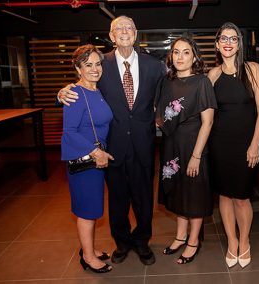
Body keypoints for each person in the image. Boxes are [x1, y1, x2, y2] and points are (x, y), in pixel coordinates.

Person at [58, 15, 165, 266]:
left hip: (143, 143)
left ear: (136, 33)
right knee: (117, 199)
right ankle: (123, 242)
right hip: (112, 146)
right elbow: (82, 87)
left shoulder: (153, 65)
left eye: (129, 27)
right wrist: (61, 93)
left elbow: (165, 95)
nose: (125, 31)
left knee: (143, 198)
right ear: (112, 36)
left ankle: (142, 242)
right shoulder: (100, 63)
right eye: (119, 29)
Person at [207, 22, 259, 269]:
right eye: (224, 38)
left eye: (233, 38)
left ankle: (244, 241)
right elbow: (204, 112)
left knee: (242, 197)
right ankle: (231, 241)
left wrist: (255, 145)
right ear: (217, 43)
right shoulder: (212, 75)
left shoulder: (252, 69)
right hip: (219, 144)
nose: (228, 42)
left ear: (239, 43)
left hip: (246, 144)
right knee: (224, 195)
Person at [155, 37, 217, 264]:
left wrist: (196, 156)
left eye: (186, 52)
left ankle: (193, 240)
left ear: (195, 57)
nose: (180, 57)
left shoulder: (202, 82)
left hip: (194, 144)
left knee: (194, 193)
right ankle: (180, 236)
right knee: (178, 190)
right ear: (171, 56)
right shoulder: (166, 81)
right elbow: (159, 111)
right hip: (171, 144)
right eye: (176, 52)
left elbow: (208, 122)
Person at [61, 44, 114, 273]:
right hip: (85, 161)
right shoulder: (75, 93)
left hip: (96, 159)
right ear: (78, 68)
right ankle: (88, 257)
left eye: (97, 63)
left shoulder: (96, 90)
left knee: (92, 208)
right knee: (86, 211)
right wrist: (97, 153)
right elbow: (69, 131)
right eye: (88, 65)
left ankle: (89, 249)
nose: (94, 69)